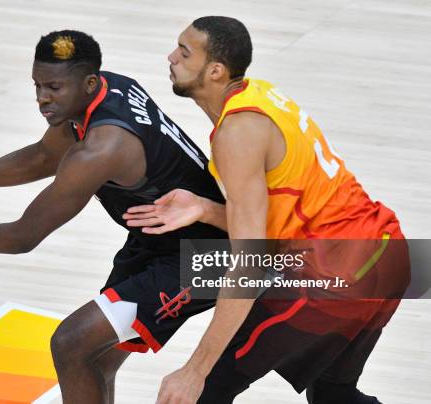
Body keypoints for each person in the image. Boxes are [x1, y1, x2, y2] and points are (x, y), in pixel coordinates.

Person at [0, 30, 228, 403]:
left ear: (87, 83)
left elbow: (23, 236)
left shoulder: (104, 148)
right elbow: (42, 157)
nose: (42, 98)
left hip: (206, 255)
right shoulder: (105, 90)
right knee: (95, 358)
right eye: (37, 85)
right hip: (160, 239)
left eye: (53, 87)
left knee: (71, 342)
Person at [123, 16, 410, 404]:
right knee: (333, 395)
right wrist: (206, 208)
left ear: (215, 71)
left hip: (337, 275)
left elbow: (249, 264)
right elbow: (274, 226)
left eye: (184, 52)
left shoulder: (237, 134)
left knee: (202, 391)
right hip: (386, 251)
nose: (171, 57)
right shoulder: (258, 95)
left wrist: (194, 370)